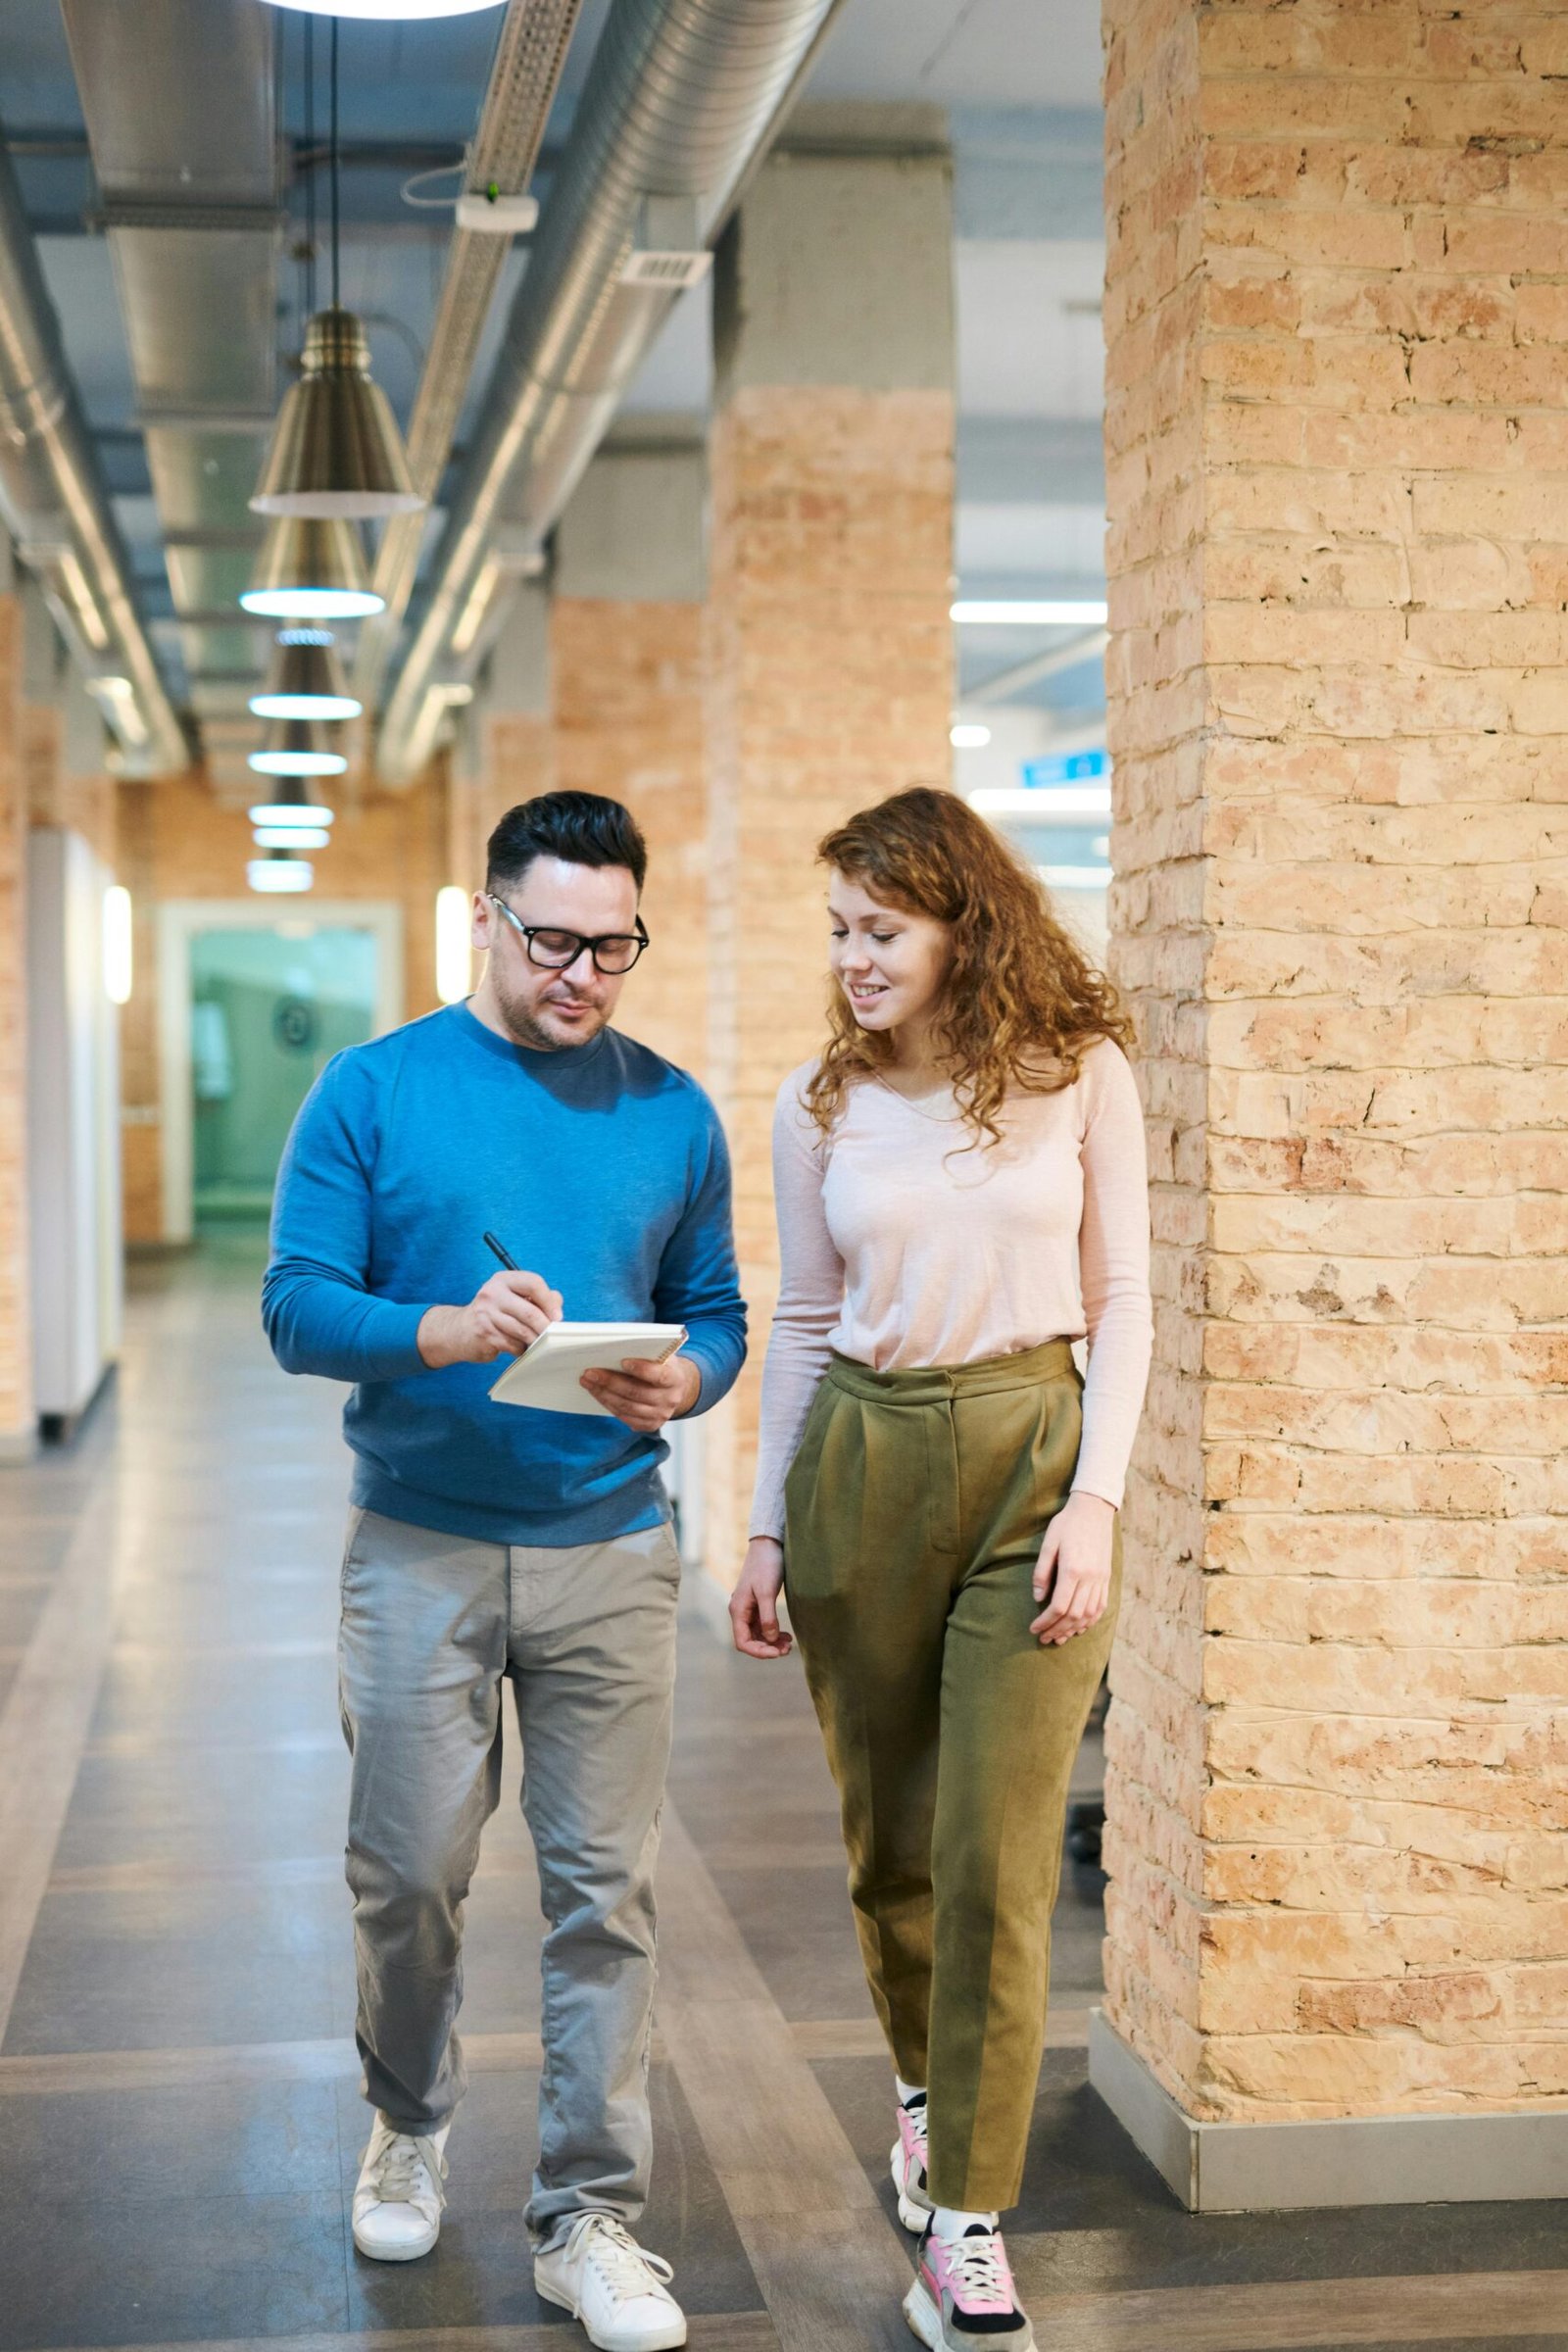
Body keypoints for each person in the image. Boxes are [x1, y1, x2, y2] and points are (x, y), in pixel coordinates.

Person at [264, 790, 746, 2352]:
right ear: (486, 919)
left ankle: (588, 2215)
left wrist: (695, 1381)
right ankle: (407, 2121)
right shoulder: (374, 1090)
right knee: (406, 1874)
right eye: (555, 940)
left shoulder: (672, 1109)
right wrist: (444, 1331)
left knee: (608, 1897)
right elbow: (293, 1307)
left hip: (611, 1545)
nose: (585, 975)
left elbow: (719, 1307)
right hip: (419, 1546)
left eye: (616, 946)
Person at [729, 787, 1151, 2352]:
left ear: (964, 924)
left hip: (1035, 1456)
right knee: (890, 1837)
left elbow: (1129, 1301)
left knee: (996, 1850)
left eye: (880, 929)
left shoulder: (1075, 1073)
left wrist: (1098, 1502)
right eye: (838, 930)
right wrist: (768, 1524)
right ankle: (924, 2089)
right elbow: (802, 1324)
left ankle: (967, 2219)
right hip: (862, 1461)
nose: (851, 957)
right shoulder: (817, 1104)